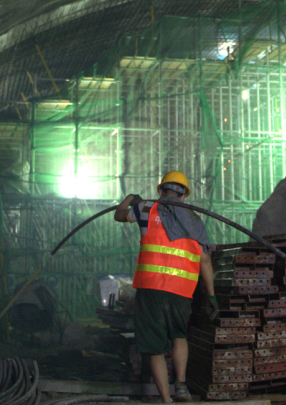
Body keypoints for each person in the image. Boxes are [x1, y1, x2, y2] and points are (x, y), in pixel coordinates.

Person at [114, 171, 216, 403]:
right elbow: (205, 261)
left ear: (161, 190)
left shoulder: (146, 210)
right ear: (183, 195)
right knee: (179, 336)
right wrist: (212, 296)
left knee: (154, 348)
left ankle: (167, 400)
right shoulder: (195, 220)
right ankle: (181, 384)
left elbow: (119, 215)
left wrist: (130, 198)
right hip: (181, 290)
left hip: (150, 289)